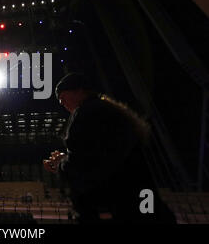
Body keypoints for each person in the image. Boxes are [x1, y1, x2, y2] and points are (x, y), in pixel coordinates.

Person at [43, 73, 176, 224]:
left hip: (118, 203)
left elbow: (83, 165)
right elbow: (97, 154)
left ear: (79, 91)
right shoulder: (109, 109)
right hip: (140, 198)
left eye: (63, 97)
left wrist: (61, 164)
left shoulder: (86, 112)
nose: (62, 103)